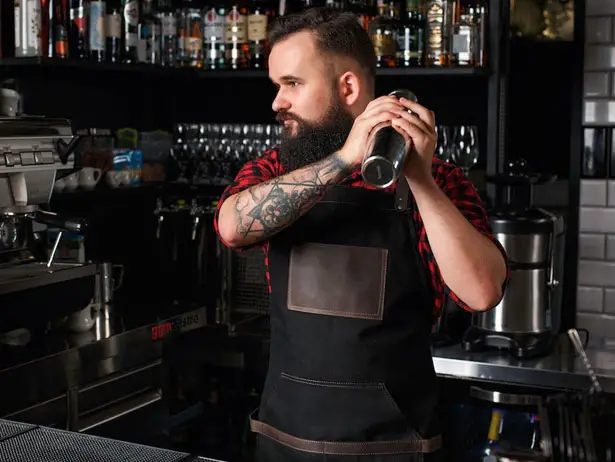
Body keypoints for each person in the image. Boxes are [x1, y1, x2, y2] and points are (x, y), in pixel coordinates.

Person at [214, 7, 509, 461]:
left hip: (397, 447)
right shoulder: (274, 171)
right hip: (284, 442)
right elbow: (232, 228)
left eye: (292, 84)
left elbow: (483, 292)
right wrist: (345, 160)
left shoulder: (442, 181)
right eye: (277, 86)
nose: (277, 102)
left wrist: (421, 181)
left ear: (347, 87)